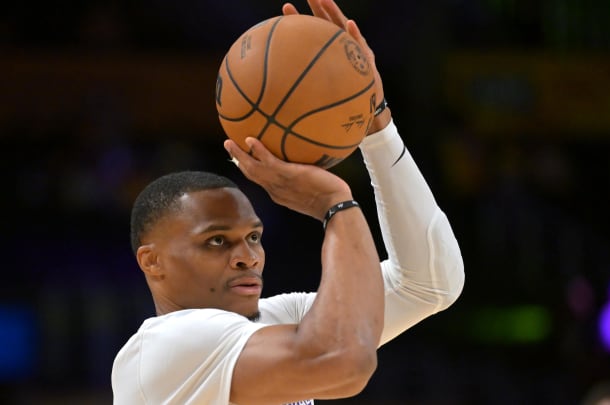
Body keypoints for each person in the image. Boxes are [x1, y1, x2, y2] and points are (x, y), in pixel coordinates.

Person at [111, 0, 464, 404]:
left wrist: (374, 123)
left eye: (254, 237)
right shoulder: (165, 346)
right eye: (216, 241)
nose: (248, 257)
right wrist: (335, 204)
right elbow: (341, 361)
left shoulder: (275, 321)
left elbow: (430, 284)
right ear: (152, 261)